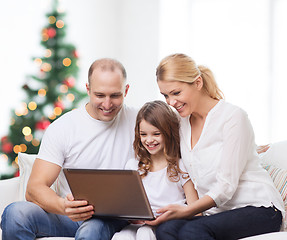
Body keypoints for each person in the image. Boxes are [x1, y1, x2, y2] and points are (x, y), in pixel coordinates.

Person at [145, 53, 285, 240]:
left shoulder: (233, 117)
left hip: (261, 209)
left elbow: (226, 186)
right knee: (166, 229)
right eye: (165, 95)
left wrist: (186, 211)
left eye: (176, 93)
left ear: (198, 83)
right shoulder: (181, 123)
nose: (170, 102)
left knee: (192, 231)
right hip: (217, 214)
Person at [0, 58, 138, 240]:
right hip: (69, 217)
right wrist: (63, 206)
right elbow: (34, 188)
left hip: (115, 218)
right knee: (15, 213)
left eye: (115, 95)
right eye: (99, 95)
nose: (107, 104)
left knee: (91, 231)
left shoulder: (140, 122)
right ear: (88, 89)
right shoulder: (64, 127)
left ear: (126, 90)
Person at [113, 100, 199, 240]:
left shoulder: (180, 166)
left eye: (156, 134)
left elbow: (196, 211)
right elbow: (127, 205)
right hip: (139, 224)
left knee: (145, 234)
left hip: (167, 224)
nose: (149, 140)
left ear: (168, 132)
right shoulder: (133, 166)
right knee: (121, 237)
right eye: (143, 134)